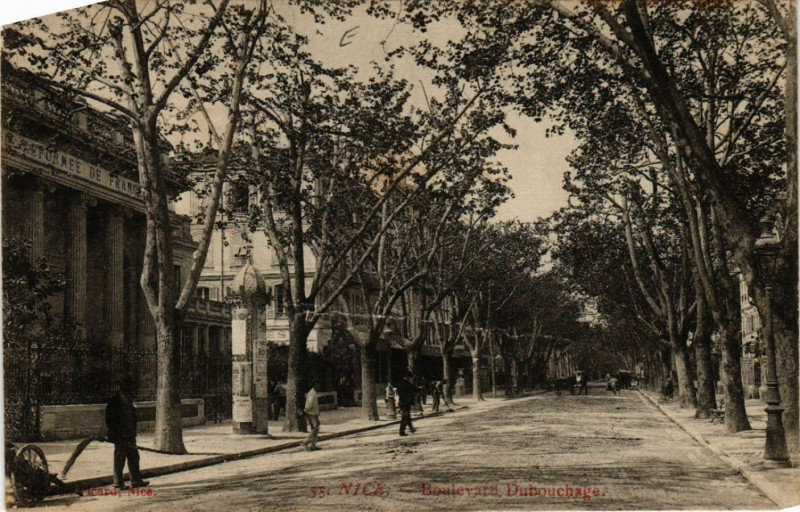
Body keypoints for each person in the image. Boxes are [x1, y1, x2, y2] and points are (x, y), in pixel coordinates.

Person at [106, 374, 149, 490]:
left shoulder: (128, 399)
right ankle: (118, 482)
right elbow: (109, 419)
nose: (128, 387)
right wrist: (113, 434)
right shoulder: (115, 400)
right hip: (120, 435)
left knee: (134, 457)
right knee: (120, 459)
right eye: (126, 385)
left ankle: (136, 480)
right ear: (120, 386)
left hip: (130, 434)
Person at [396, 371, 419, 436]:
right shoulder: (407, 383)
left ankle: (411, 429)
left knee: (407, 416)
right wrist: (420, 389)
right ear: (407, 377)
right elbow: (414, 389)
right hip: (406, 402)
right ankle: (401, 431)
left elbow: (398, 392)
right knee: (405, 417)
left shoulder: (399, 383)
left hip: (401, 402)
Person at [301, 380, 321, 451]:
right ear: (314, 385)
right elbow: (309, 403)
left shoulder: (314, 392)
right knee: (315, 428)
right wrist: (305, 410)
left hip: (314, 413)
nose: (319, 386)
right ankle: (306, 442)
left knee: (316, 428)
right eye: (317, 385)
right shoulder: (312, 393)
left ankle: (313, 445)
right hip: (311, 413)